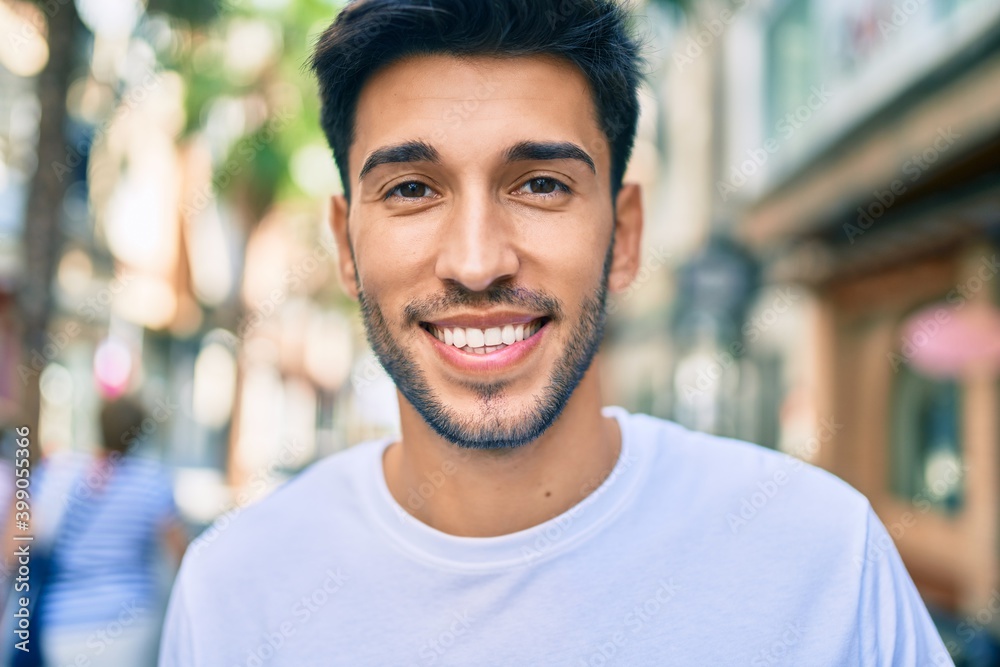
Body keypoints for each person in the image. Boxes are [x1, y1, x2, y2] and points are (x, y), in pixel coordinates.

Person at [160, 1, 953, 664]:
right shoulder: (236, 591)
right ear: (344, 245)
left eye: (540, 184)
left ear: (626, 233)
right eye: (411, 188)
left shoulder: (822, 559)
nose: (476, 262)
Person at [2, 397, 187, 667]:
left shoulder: (57, 475)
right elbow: (182, 557)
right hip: (132, 622)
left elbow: (12, 549)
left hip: (64, 622)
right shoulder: (153, 483)